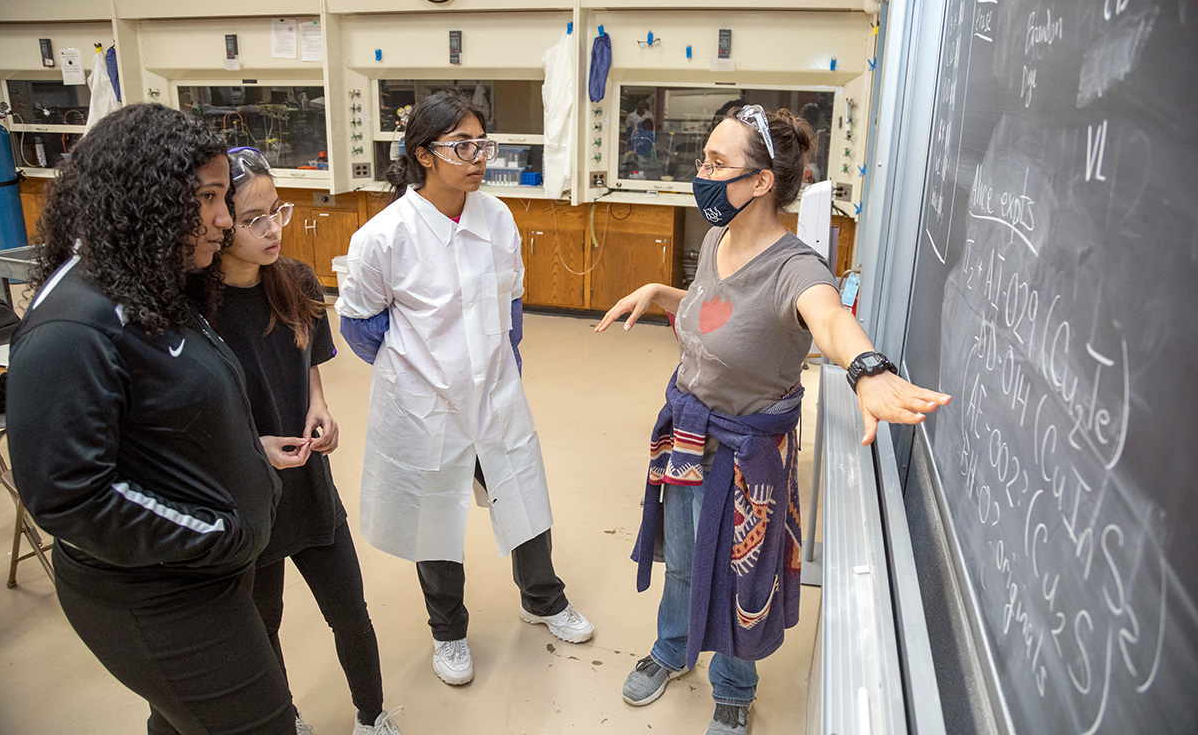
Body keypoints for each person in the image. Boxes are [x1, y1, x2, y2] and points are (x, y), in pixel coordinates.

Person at [596, 104, 951, 735]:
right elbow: (720, 314)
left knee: (741, 579)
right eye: (702, 159)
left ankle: (734, 686)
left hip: (744, 455)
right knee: (681, 557)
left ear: (761, 181)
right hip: (687, 436)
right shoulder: (716, 239)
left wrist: (867, 367)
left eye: (714, 163)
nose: (700, 173)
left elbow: (830, 318)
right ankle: (673, 649)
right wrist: (660, 293)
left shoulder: (798, 268)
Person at [5, 103, 295, 734]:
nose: (223, 219)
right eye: (211, 198)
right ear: (149, 197)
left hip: (203, 576)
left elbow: (167, 413)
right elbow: (70, 495)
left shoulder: (147, 283)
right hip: (157, 594)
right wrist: (218, 533)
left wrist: (243, 449)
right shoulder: (72, 330)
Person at [335, 89, 594, 688]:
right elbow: (360, 326)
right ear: (424, 155)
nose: (479, 157)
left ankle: (543, 598)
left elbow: (513, 301)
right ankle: (448, 631)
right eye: (463, 146)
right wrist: (421, 378)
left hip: (497, 395)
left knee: (522, 492)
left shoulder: (496, 217)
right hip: (429, 405)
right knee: (436, 517)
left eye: (483, 143)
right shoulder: (383, 236)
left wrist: (504, 364)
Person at [212, 147, 402, 735]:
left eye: (278, 212)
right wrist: (253, 447)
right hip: (250, 493)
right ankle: (285, 715)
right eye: (254, 219)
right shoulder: (200, 308)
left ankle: (371, 717)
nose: (272, 230)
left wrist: (319, 405)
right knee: (261, 623)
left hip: (309, 484)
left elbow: (308, 361)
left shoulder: (293, 280)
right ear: (219, 224)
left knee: (351, 610)